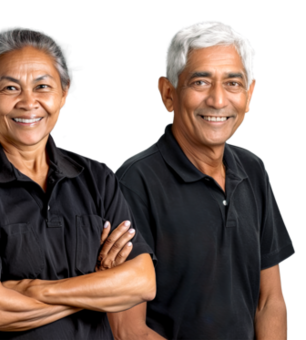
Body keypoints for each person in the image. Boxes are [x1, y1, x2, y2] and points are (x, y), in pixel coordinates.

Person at [0, 25, 157, 339]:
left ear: (64, 93)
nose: (29, 102)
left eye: (42, 86)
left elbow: (143, 282)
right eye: (10, 88)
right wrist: (97, 288)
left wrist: (35, 290)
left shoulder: (97, 177)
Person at [109, 20, 294, 340]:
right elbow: (127, 329)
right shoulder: (133, 183)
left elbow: (269, 300)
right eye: (200, 82)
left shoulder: (253, 169)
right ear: (168, 94)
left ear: (249, 95)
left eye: (233, 83)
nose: (218, 100)